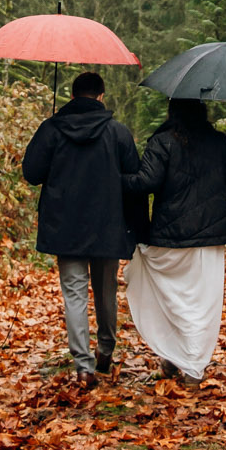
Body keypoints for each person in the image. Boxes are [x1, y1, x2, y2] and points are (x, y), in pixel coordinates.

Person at [22, 70, 140, 387]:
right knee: (106, 293)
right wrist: (137, 227)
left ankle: (83, 366)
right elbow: (135, 181)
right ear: (101, 96)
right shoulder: (118, 133)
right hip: (108, 225)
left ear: (72, 97)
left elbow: (32, 173)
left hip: (65, 226)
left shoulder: (52, 129)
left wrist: (48, 139)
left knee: (74, 295)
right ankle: (105, 351)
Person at [121, 97, 226, 381]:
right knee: (201, 304)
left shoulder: (162, 142)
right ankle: (191, 366)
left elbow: (146, 182)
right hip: (211, 239)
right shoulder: (220, 143)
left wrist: (115, 178)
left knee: (171, 299)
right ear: (203, 112)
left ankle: (174, 360)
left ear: (172, 112)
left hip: (170, 235)